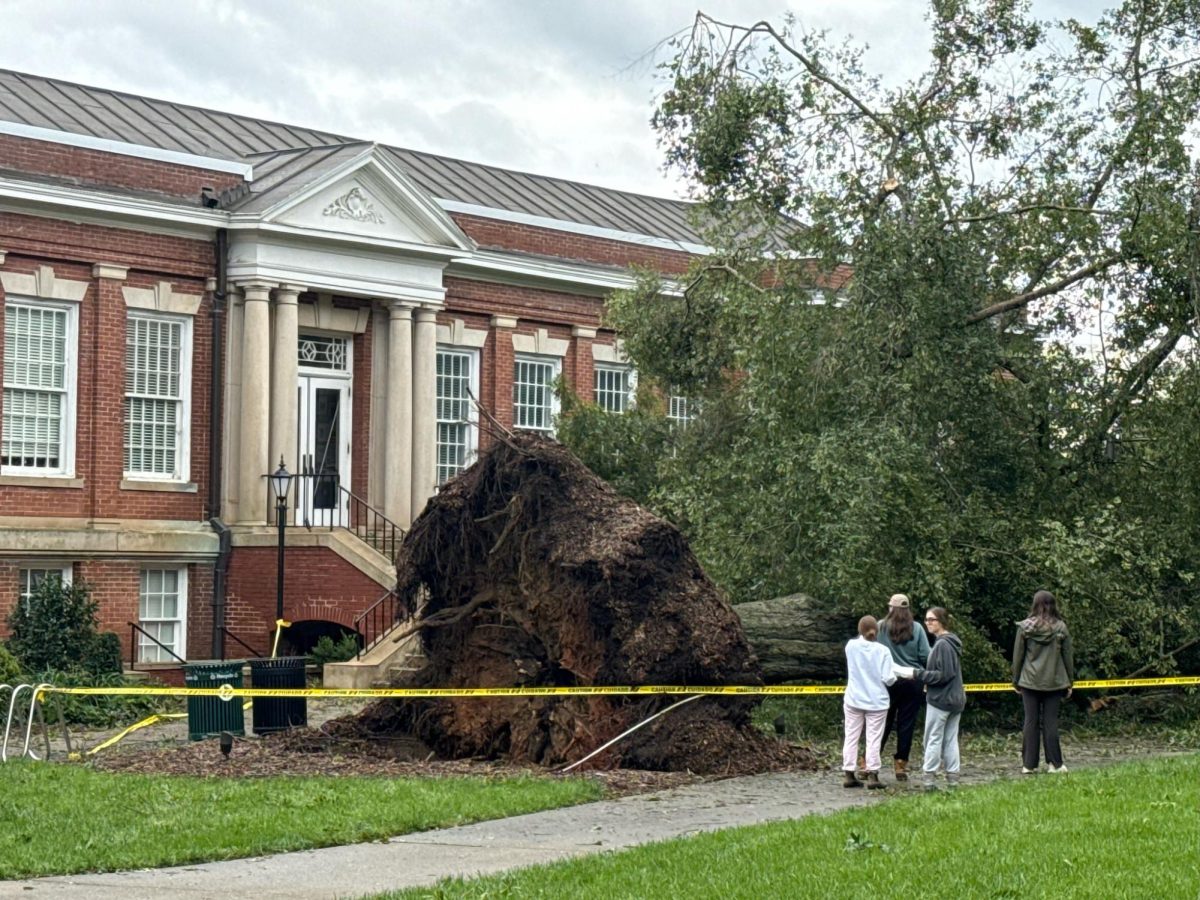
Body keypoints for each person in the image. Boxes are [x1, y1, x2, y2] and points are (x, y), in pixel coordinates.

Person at [843, 614, 910, 789]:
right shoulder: (883, 651)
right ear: (877, 631)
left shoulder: (850, 646)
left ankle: (849, 773)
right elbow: (888, 678)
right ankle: (873, 775)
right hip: (876, 701)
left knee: (851, 736)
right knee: (873, 738)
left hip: (853, 699)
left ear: (859, 630)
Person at [1012, 589, 1075, 774]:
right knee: (1050, 722)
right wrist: (1069, 682)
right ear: (1053, 605)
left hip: (1029, 682)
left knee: (1030, 721)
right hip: (1055, 682)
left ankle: (1028, 765)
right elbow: (1068, 657)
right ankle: (1055, 764)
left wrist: (1016, 680)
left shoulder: (1024, 627)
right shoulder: (1061, 628)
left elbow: (1018, 657)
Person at [877, 593, 930, 782]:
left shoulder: (880, 626)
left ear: (891, 608)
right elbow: (926, 655)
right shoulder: (917, 628)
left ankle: (868, 762)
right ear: (907, 609)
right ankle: (900, 764)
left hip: (887, 681)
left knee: (882, 722)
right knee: (906, 724)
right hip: (913, 681)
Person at [913, 607, 964, 789]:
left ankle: (929, 779)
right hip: (955, 698)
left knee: (933, 738)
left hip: (941, 699)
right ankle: (952, 778)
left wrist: (919, 674)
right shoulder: (950, 643)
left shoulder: (942, 644)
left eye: (932, 619)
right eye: (926, 620)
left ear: (942, 621)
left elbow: (944, 674)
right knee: (950, 739)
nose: (928, 623)